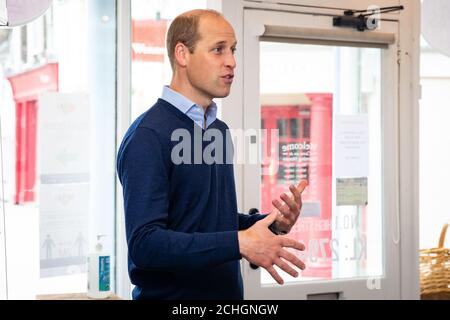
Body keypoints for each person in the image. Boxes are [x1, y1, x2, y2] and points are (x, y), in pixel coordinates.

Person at [117, 9, 307, 300]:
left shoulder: (218, 130)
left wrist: (272, 223)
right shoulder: (148, 136)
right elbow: (146, 245)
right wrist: (238, 243)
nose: (231, 61)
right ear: (182, 54)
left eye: (232, 50)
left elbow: (210, 223)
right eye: (218, 49)